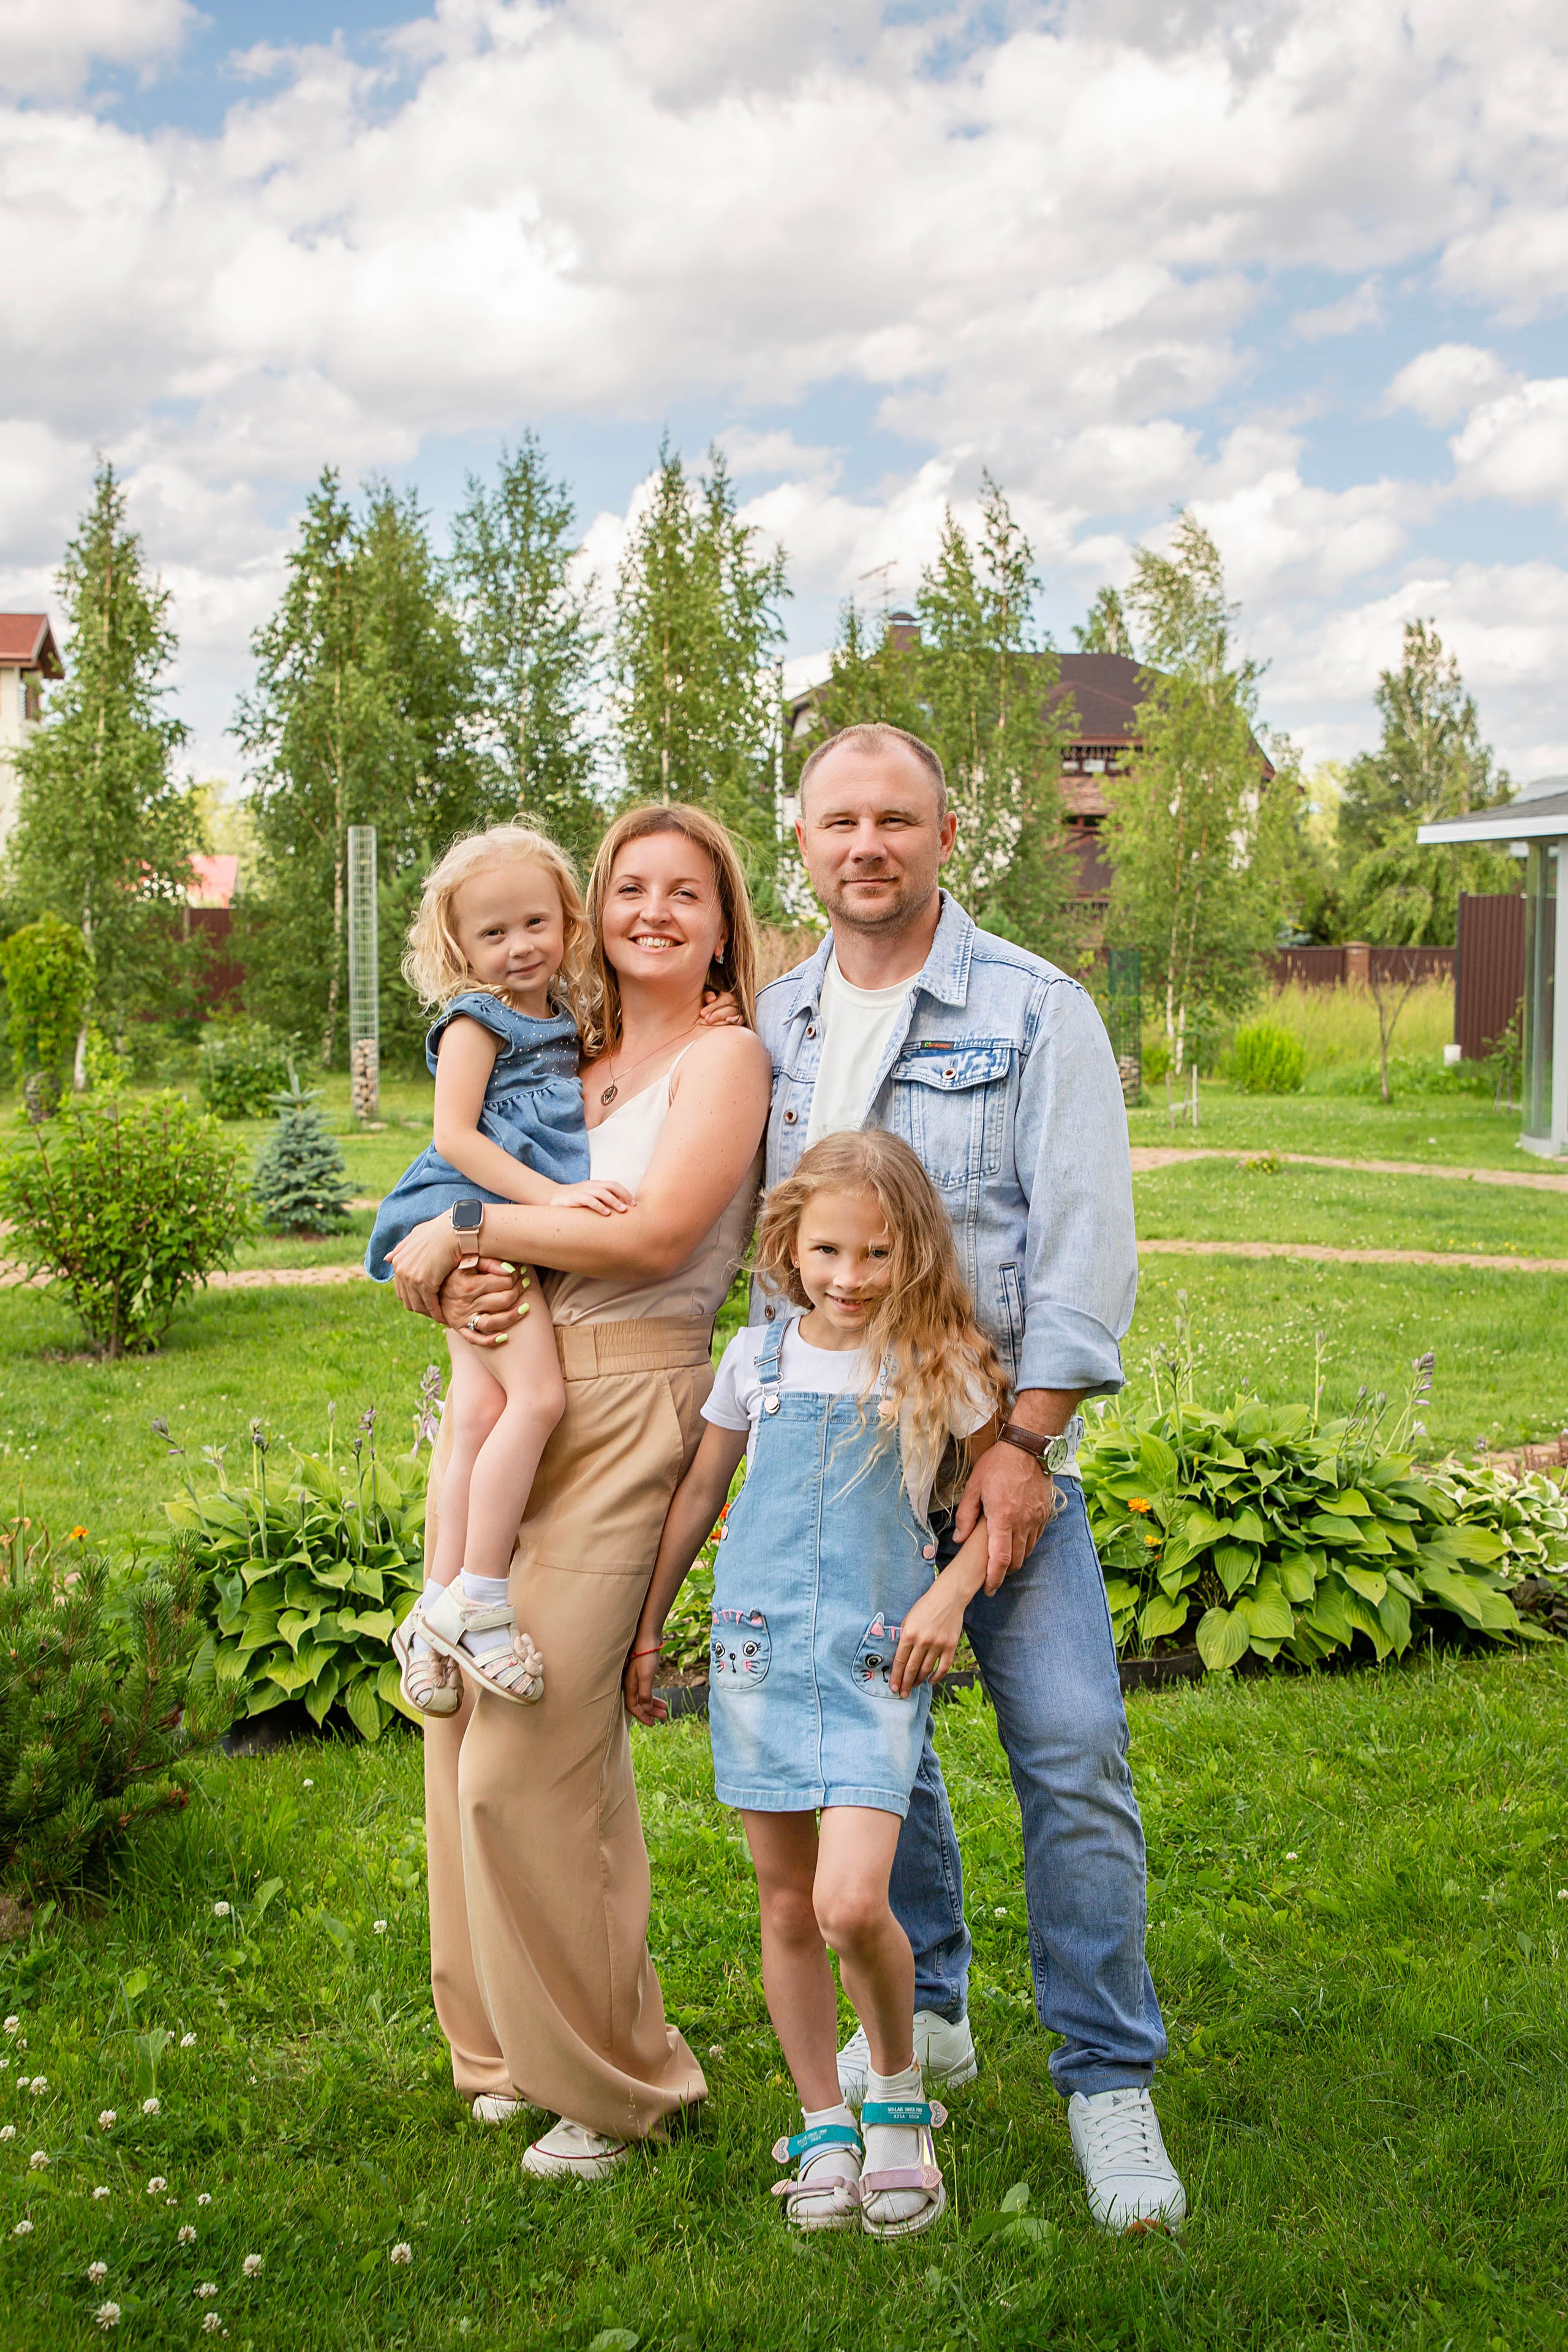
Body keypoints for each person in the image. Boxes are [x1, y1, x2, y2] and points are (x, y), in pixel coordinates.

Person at [751, 718, 1186, 2234]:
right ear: (798, 842)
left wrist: (1022, 1446)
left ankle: (1107, 2079)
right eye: (835, 823)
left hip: (994, 1448)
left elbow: (1083, 1246)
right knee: (884, 1755)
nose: (863, 846)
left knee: (1066, 1745)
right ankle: (920, 2016)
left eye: (894, 819)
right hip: (837, 1467)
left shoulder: (1032, 1004)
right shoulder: (780, 1019)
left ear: (946, 838)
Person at [385, 804, 772, 2181]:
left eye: (685, 892)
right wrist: (455, 1266)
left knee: (533, 1750)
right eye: (629, 888)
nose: (653, 911)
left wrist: (470, 1230)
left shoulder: (728, 1060)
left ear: (725, 918)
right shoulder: (571, 1051)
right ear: (594, 909)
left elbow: (660, 1233)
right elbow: (460, 1180)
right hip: (517, 1380)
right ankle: (496, 2050)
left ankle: (619, 2085)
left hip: (628, 1403)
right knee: (458, 1725)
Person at [625, 1132, 1011, 2238]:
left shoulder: (943, 1364)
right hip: (756, 1656)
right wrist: (650, 1630)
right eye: (827, 1249)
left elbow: (1000, 1500)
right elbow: (701, 1496)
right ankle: (824, 2123)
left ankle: (898, 2101)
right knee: (787, 1905)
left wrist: (949, 1601)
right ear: (789, 1243)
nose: (848, 1277)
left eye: (877, 1254)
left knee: (851, 1902)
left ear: (915, 1255)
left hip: (874, 1659)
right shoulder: (759, 1360)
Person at [368, 826, 636, 1718]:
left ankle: (428, 1610)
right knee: (538, 1401)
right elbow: (455, 1136)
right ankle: (481, 1600)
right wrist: (545, 1204)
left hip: (503, 1221)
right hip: (471, 1212)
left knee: (479, 1410)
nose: (519, 946)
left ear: (568, 918)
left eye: (536, 922)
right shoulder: (476, 1020)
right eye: (493, 934)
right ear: (460, 948)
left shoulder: (562, 1013)